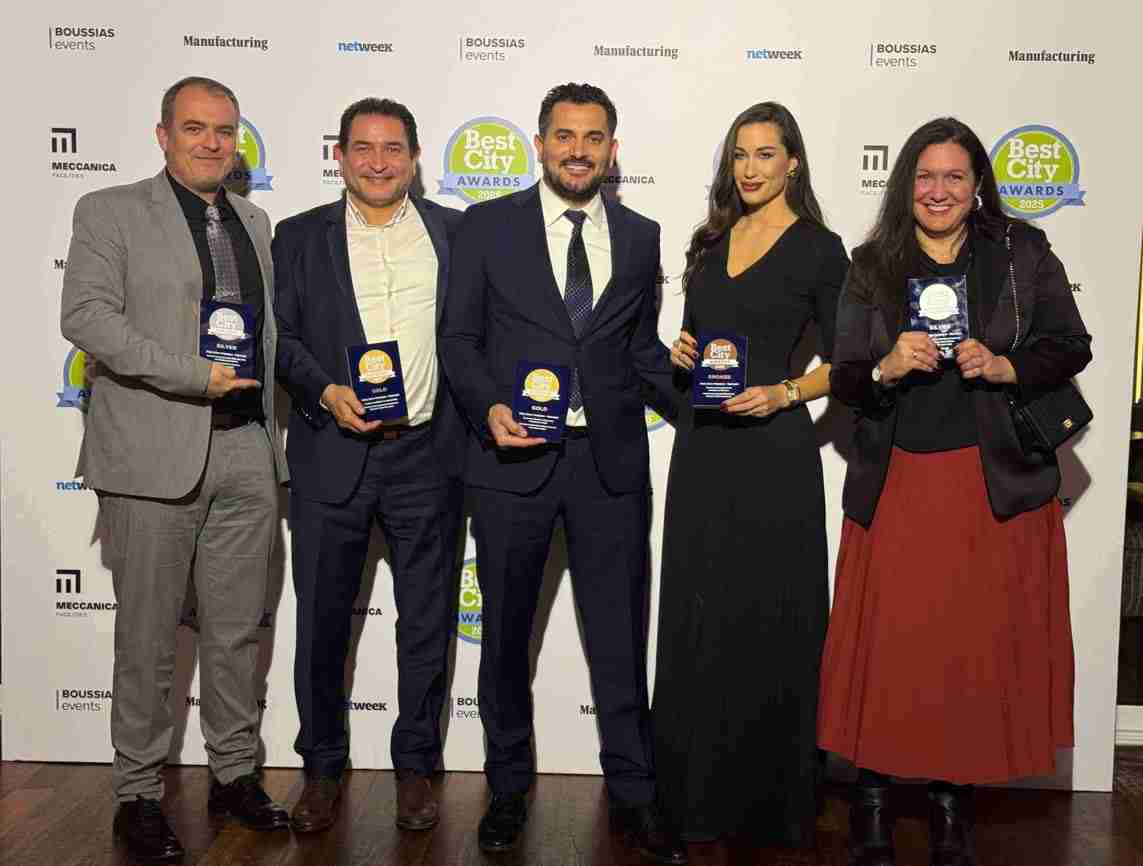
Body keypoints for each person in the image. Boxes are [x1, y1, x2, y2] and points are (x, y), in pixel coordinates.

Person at [817, 117, 1091, 866]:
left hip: (986, 480)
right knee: (890, 650)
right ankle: (871, 802)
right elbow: (846, 375)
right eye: (925, 177)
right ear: (906, 184)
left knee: (967, 655)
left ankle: (950, 807)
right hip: (900, 478)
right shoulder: (872, 264)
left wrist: (1006, 366)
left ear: (977, 187)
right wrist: (885, 366)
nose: (938, 191)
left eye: (954, 177)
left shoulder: (1020, 253)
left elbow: (1071, 344)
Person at [439, 82, 686, 864]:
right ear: (539, 144)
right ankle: (507, 788)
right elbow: (457, 340)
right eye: (564, 136)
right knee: (505, 638)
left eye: (593, 137)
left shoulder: (641, 236)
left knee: (618, 638)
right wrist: (487, 408)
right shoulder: (486, 226)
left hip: (608, 467)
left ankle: (635, 793)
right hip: (511, 460)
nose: (578, 151)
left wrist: (708, 403)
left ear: (613, 150)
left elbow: (638, 351)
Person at [60, 76, 290, 862]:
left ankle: (234, 774)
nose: (212, 143)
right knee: (148, 637)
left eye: (224, 130)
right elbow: (86, 317)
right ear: (163, 135)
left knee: (235, 631)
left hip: (245, 449)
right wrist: (194, 376)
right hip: (152, 451)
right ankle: (137, 793)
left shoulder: (254, 221)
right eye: (195, 128)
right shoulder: (109, 211)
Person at [652, 102, 849, 847]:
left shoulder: (820, 250)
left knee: (769, 621)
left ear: (793, 162)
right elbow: (697, 340)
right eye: (740, 154)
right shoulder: (710, 241)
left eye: (766, 154)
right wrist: (681, 351)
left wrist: (786, 392)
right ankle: (690, 797)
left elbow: (850, 360)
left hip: (774, 455)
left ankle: (770, 802)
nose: (750, 168)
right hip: (704, 450)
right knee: (699, 617)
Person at [272, 98, 466, 833]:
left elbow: (476, 334)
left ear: (414, 157)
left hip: (429, 455)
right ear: (339, 156)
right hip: (332, 453)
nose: (378, 163)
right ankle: (321, 769)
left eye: (392, 149)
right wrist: (325, 391)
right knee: (322, 624)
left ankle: (415, 767)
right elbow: (279, 337)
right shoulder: (298, 237)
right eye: (363, 148)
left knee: (426, 623)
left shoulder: (456, 233)